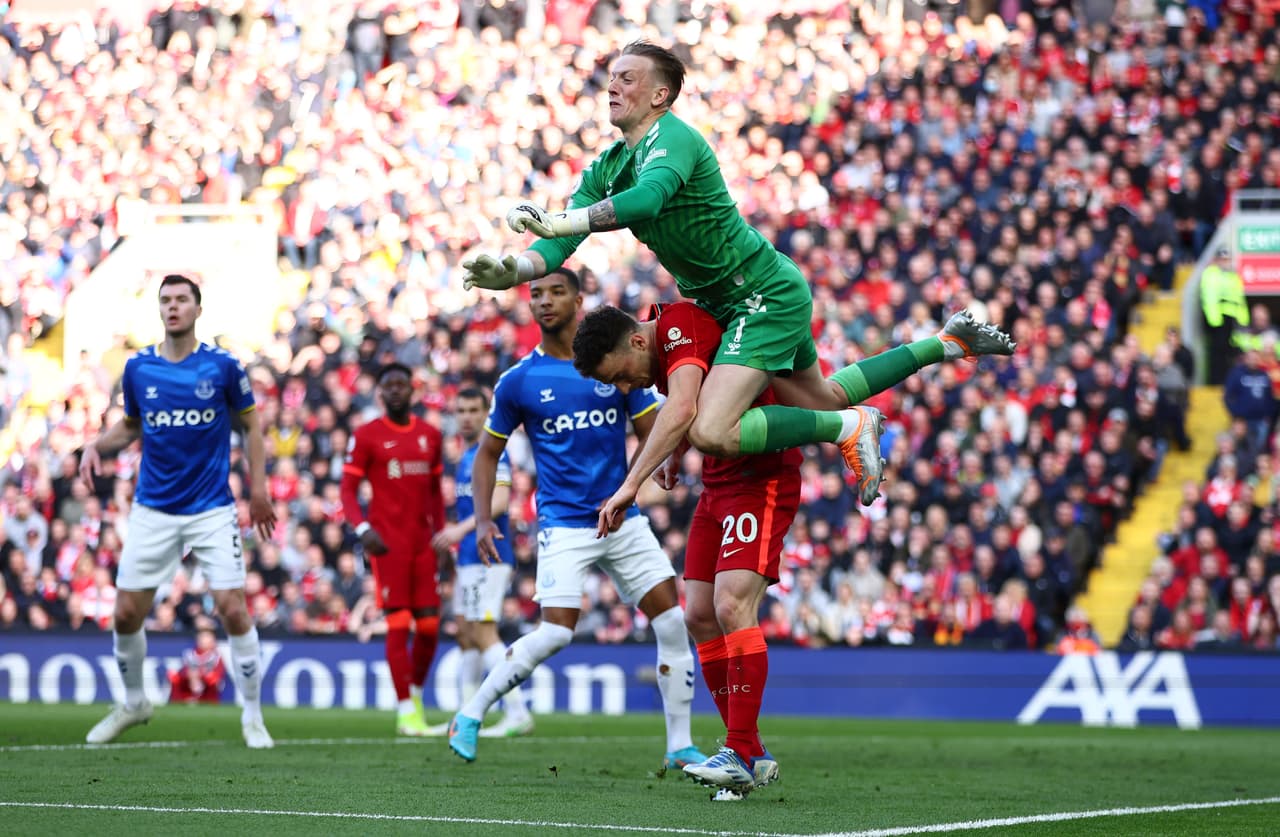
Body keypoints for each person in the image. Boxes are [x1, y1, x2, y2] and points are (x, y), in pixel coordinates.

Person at [462, 41, 1014, 504]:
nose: (613, 87)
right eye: (610, 79)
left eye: (626, 79)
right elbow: (562, 243)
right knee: (820, 400)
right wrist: (513, 270)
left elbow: (648, 202)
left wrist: (560, 221)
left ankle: (855, 428)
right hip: (743, 300)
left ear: (659, 94)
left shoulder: (673, 138)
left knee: (711, 428)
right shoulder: (609, 164)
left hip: (759, 296)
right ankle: (947, 343)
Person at [571, 301, 1006, 800]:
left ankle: (737, 750)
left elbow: (687, 407)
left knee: (732, 604)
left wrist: (634, 481)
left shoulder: (679, 326)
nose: (629, 388)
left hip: (761, 478)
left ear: (637, 342)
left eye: (623, 376)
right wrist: (676, 452)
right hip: (718, 485)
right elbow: (699, 400)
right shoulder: (674, 346)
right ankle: (750, 753)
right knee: (698, 615)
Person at [447, 268, 706, 771]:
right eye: (536, 294)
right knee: (557, 633)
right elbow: (485, 456)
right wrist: (482, 519)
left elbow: (653, 429)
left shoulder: (617, 363)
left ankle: (679, 744)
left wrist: (661, 464)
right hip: (564, 523)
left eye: (555, 292)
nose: (544, 301)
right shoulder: (519, 381)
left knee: (673, 621)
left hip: (623, 517)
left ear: (578, 299)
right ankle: (471, 712)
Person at [79, 273, 276, 748]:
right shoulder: (139, 368)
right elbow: (131, 427)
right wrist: (95, 446)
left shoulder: (224, 367)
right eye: (165, 300)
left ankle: (252, 715)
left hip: (211, 507)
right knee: (125, 615)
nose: (172, 307)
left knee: (232, 608)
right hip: (154, 507)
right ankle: (134, 702)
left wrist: (259, 488)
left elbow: (250, 426)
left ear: (197, 309)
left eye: (181, 299)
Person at [340, 362, 446, 737]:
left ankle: (414, 698)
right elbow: (347, 491)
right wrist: (363, 528)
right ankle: (405, 711)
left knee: (431, 628)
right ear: (381, 392)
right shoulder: (367, 435)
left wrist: (443, 536)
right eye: (390, 385)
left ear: (413, 390)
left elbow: (434, 495)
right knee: (399, 625)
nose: (396, 390)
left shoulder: (430, 436)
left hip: (423, 545)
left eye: (403, 384)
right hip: (387, 545)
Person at [431, 387, 533, 738]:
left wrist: (458, 530)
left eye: (474, 409)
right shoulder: (465, 457)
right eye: (461, 410)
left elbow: (501, 502)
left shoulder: (493, 453)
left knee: (484, 633)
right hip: (470, 560)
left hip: (490, 557)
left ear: (485, 413)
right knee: (466, 634)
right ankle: (465, 715)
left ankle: (517, 711)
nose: (467, 416)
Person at [1200, 247, 1249, 385]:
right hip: (1218, 319)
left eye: (1226, 259)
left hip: (1232, 320)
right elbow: (1209, 297)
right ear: (1216, 260)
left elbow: (1240, 299)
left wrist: (1244, 320)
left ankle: (1227, 381)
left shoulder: (1234, 276)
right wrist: (1214, 320)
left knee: (1231, 352)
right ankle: (1215, 382)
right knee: (1217, 352)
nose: (1224, 262)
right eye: (1222, 259)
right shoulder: (1211, 273)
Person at [168, 627, 226, 704]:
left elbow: (218, 674)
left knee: (212, 678)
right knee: (172, 675)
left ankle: (209, 702)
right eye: (202, 637)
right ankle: (177, 702)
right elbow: (183, 671)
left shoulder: (216, 656)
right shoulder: (190, 654)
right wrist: (190, 674)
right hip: (190, 682)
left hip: (207, 684)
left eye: (207, 637)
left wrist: (200, 673)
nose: (203, 640)